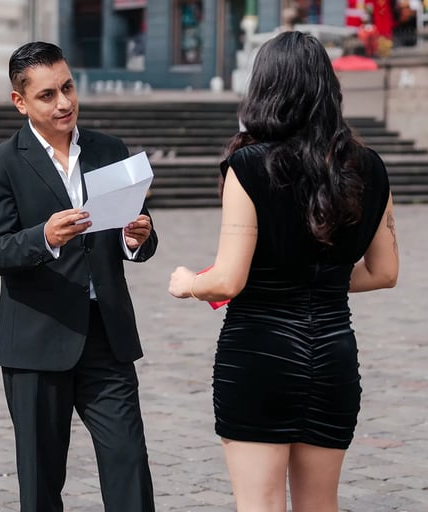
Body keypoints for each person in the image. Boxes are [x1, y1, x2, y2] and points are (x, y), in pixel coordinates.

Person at [168, 31, 399, 512]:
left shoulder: (249, 165)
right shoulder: (368, 168)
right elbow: (384, 272)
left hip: (259, 354)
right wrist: (321, 280)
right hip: (332, 354)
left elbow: (229, 279)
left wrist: (189, 283)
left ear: (265, 89)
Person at [0, 41, 157, 512]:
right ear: (21, 102)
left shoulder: (109, 150)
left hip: (107, 335)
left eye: (69, 87)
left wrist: (136, 238)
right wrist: (46, 236)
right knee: (41, 481)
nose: (64, 103)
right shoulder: (1, 164)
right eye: (48, 94)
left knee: (129, 463)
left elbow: (132, 233)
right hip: (36, 340)